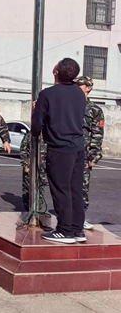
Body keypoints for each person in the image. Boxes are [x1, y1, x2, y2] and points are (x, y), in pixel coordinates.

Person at [32, 58, 87, 244]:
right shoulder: (79, 93)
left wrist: (38, 110)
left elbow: (37, 125)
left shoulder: (47, 94)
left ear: (56, 72)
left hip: (59, 148)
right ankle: (78, 230)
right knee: (75, 189)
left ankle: (65, 231)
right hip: (78, 146)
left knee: (61, 190)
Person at [75, 76, 105, 230]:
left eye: (80, 85)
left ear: (88, 88)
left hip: (84, 154)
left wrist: (94, 156)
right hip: (68, 150)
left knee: (82, 186)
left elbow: (97, 134)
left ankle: (80, 217)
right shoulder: (69, 105)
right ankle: (66, 217)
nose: (77, 87)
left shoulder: (95, 110)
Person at [20, 132, 47, 212]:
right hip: (30, 165)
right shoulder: (29, 135)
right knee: (28, 187)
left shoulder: (46, 135)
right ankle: (28, 209)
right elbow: (23, 151)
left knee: (41, 187)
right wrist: (26, 165)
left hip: (42, 166)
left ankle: (38, 209)